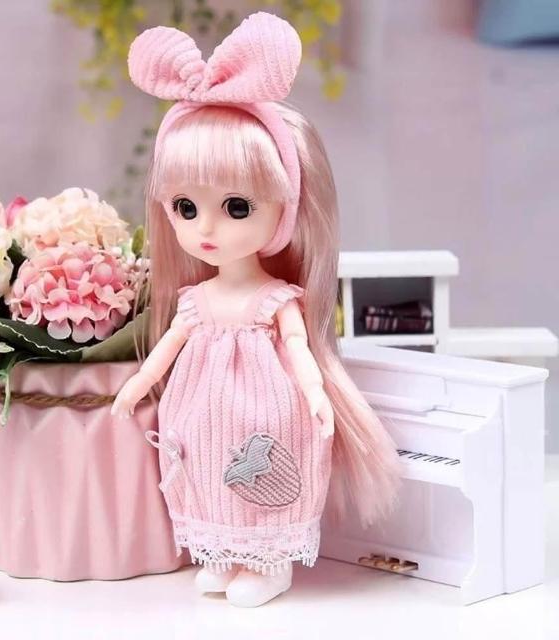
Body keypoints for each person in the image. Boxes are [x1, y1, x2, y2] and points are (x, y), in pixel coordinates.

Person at [112, 11, 402, 608]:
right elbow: (166, 349)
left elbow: (298, 347)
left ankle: (268, 560)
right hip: (198, 409)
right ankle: (221, 551)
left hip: (265, 410)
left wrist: (317, 393)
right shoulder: (195, 300)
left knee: (263, 474)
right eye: (185, 207)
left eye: (237, 207)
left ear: (285, 210)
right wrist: (137, 385)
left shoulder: (274, 298)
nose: (205, 229)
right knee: (202, 463)